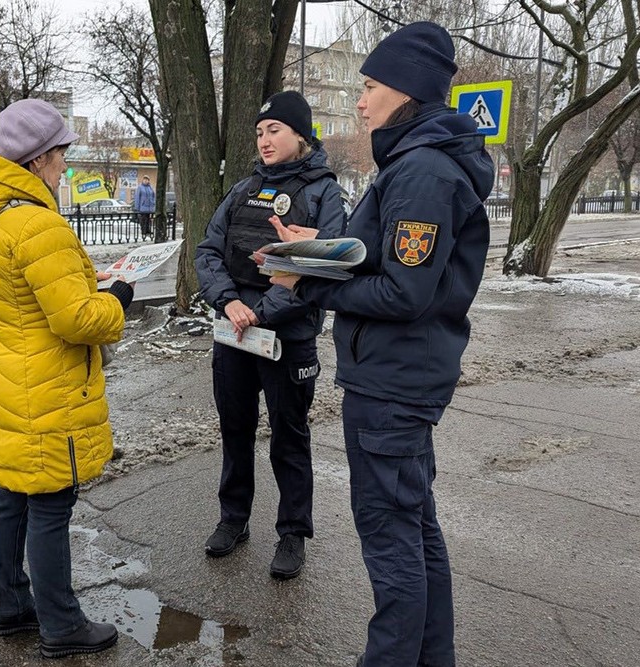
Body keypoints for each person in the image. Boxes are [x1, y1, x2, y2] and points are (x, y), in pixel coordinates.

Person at [266, 22, 494, 666]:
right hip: (400, 376)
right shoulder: (416, 160)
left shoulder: (422, 170)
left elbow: (403, 293)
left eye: (369, 87)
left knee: (392, 542)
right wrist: (317, 248)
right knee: (414, 529)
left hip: (393, 383)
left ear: (406, 90)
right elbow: (385, 259)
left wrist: (307, 280)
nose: (360, 102)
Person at [0, 98, 133, 659]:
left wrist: (82, 278)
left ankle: (10, 607)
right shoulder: (38, 222)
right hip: (49, 387)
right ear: (37, 161)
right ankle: (62, 625)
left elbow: (27, 296)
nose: (64, 168)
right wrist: (118, 299)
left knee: (13, 498)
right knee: (52, 505)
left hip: (11, 378)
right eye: (61, 156)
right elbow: (76, 319)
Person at [194, 90, 348, 579]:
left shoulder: (324, 194)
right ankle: (233, 519)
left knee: (289, 437)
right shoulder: (243, 190)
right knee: (235, 430)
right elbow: (208, 251)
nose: (264, 139)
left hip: (287, 337)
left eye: (274, 130)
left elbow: (321, 267)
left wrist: (261, 312)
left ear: (300, 135)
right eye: (260, 132)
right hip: (235, 332)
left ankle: (293, 533)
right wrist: (229, 302)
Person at [134, 175, 156, 240]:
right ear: (143, 180)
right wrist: (137, 207)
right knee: (143, 220)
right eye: (145, 179)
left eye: (147, 179)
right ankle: (143, 231)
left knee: (149, 220)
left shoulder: (150, 188)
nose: (146, 181)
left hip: (150, 208)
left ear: (148, 180)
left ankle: (148, 230)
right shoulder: (140, 187)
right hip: (143, 207)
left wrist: (153, 204)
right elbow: (137, 198)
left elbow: (153, 196)